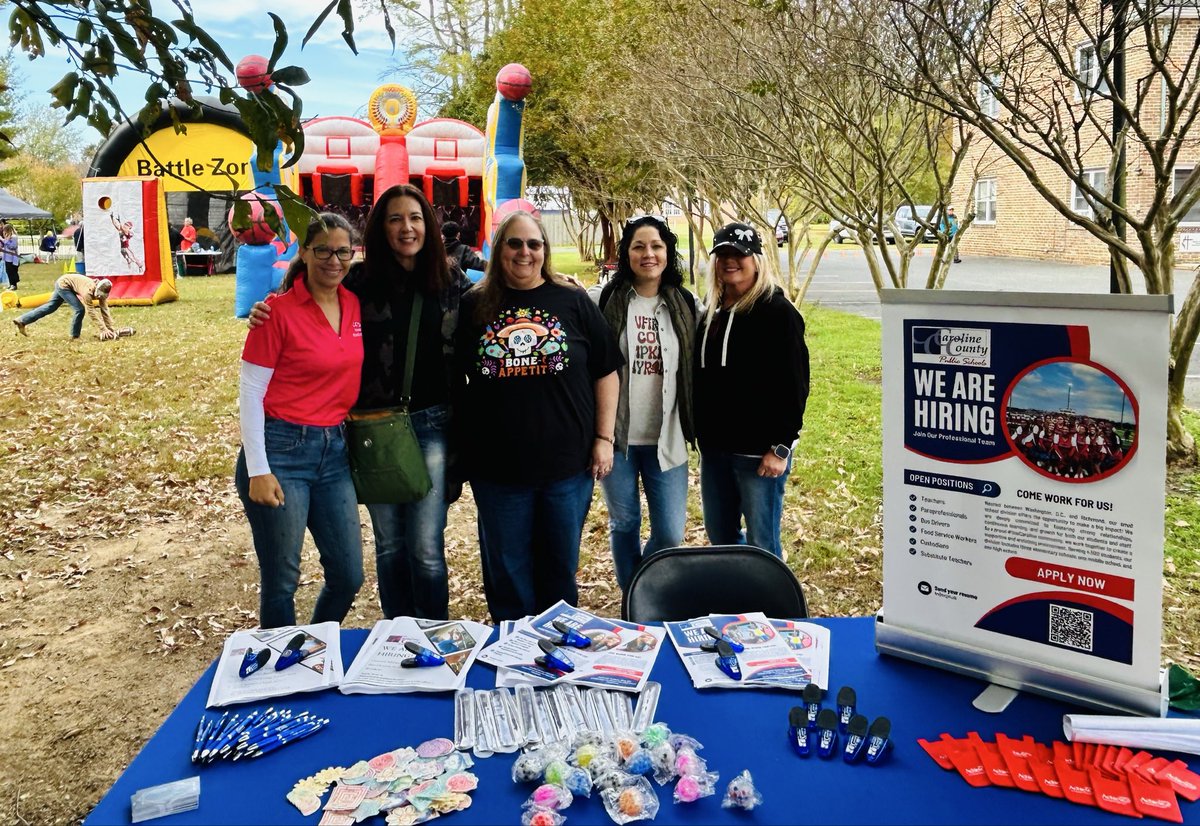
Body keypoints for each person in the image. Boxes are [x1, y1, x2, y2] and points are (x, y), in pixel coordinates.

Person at [250, 184, 473, 621]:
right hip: (372, 427)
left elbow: (495, 305)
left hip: (431, 425)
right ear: (379, 229)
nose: (406, 227)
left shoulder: (451, 281)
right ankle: (397, 633)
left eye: (414, 217)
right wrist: (268, 307)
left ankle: (431, 635)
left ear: (427, 223)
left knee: (427, 547)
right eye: (394, 219)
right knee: (389, 544)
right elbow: (308, 287)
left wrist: (556, 284)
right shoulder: (358, 279)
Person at [454, 210, 622, 622]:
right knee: (508, 572)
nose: (524, 252)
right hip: (498, 469)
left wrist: (604, 438)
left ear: (544, 251)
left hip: (567, 466)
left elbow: (606, 369)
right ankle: (512, 650)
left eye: (534, 244)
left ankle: (558, 646)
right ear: (499, 250)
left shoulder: (573, 300)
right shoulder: (474, 305)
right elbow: (457, 382)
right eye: (515, 243)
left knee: (559, 568)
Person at [235, 212, 365, 629]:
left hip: (334, 453)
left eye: (342, 251)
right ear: (304, 252)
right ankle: (280, 674)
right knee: (282, 579)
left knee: (348, 575)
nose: (334, 260)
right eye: (323, 249)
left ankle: (310, 645)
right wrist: (259, 469)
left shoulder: (353, 302)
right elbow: (251, 392)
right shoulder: (277, 312)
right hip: (281, 450)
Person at [592, 216, 697, 593]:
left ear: (668, 253)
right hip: (617, 438)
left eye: (656, 246)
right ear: (626, 253)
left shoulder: (686, 304)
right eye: (638, 246)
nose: (648, 254)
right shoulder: (606, 300)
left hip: (667, 436)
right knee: (624, 523)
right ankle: (633, 599)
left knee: (670, 533)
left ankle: (643, 588)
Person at [695, 222, 809, 559]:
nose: (731, 261)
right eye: (723, 254)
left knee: (763, 544)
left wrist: (780, 447)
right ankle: (737, 601)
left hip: (759, 454)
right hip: (714, 450)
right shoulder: (710, 311)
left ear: (756, 259)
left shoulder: (778, 313)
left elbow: (795, 385)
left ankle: (768, 606)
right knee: (722, 537)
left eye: (739, 254)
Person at [13, 274, 119, 340]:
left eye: (101, 297)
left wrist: (110, 329)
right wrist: (103, 329)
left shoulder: (103, 291)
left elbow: (105, 310)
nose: (98, 298)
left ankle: (22, 320)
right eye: (97, 296)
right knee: (80, 309)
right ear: (96, 290)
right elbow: (91, 311)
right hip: (64, 285)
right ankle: (75, 336)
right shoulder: (87, 292)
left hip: (67, 283)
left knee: (51, 307)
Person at [2, 224, 20, 291]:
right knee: (8, 271)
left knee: (12, 271)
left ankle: (14, 285)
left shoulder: (14, 237)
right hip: (7, 257)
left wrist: (6, 241)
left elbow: (13, 247)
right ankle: (11, 284)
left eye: (5, 230)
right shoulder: (7, 236)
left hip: (12, 258)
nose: (4, 232)